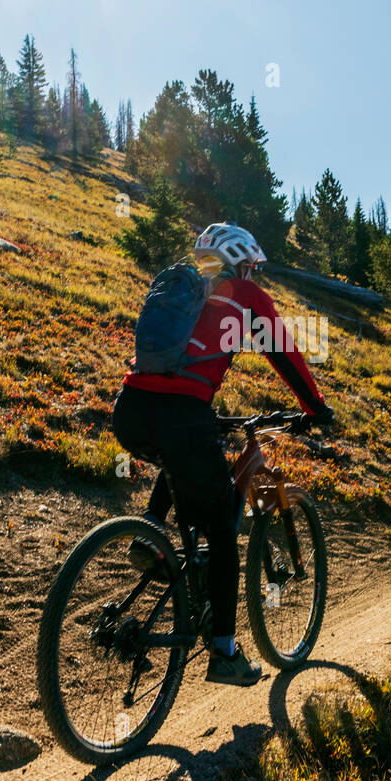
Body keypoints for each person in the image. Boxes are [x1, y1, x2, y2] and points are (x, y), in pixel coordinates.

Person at [112, 222, 333, 687]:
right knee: (221, 529)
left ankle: (149, 537)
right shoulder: (245, 297)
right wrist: (315, 408)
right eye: (252, 268)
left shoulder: (181, 288)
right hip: (182, 414)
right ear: (240, 264)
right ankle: (225, 654)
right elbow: (285, 352)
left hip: (131, 409)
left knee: (181, 453)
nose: (254, 277)